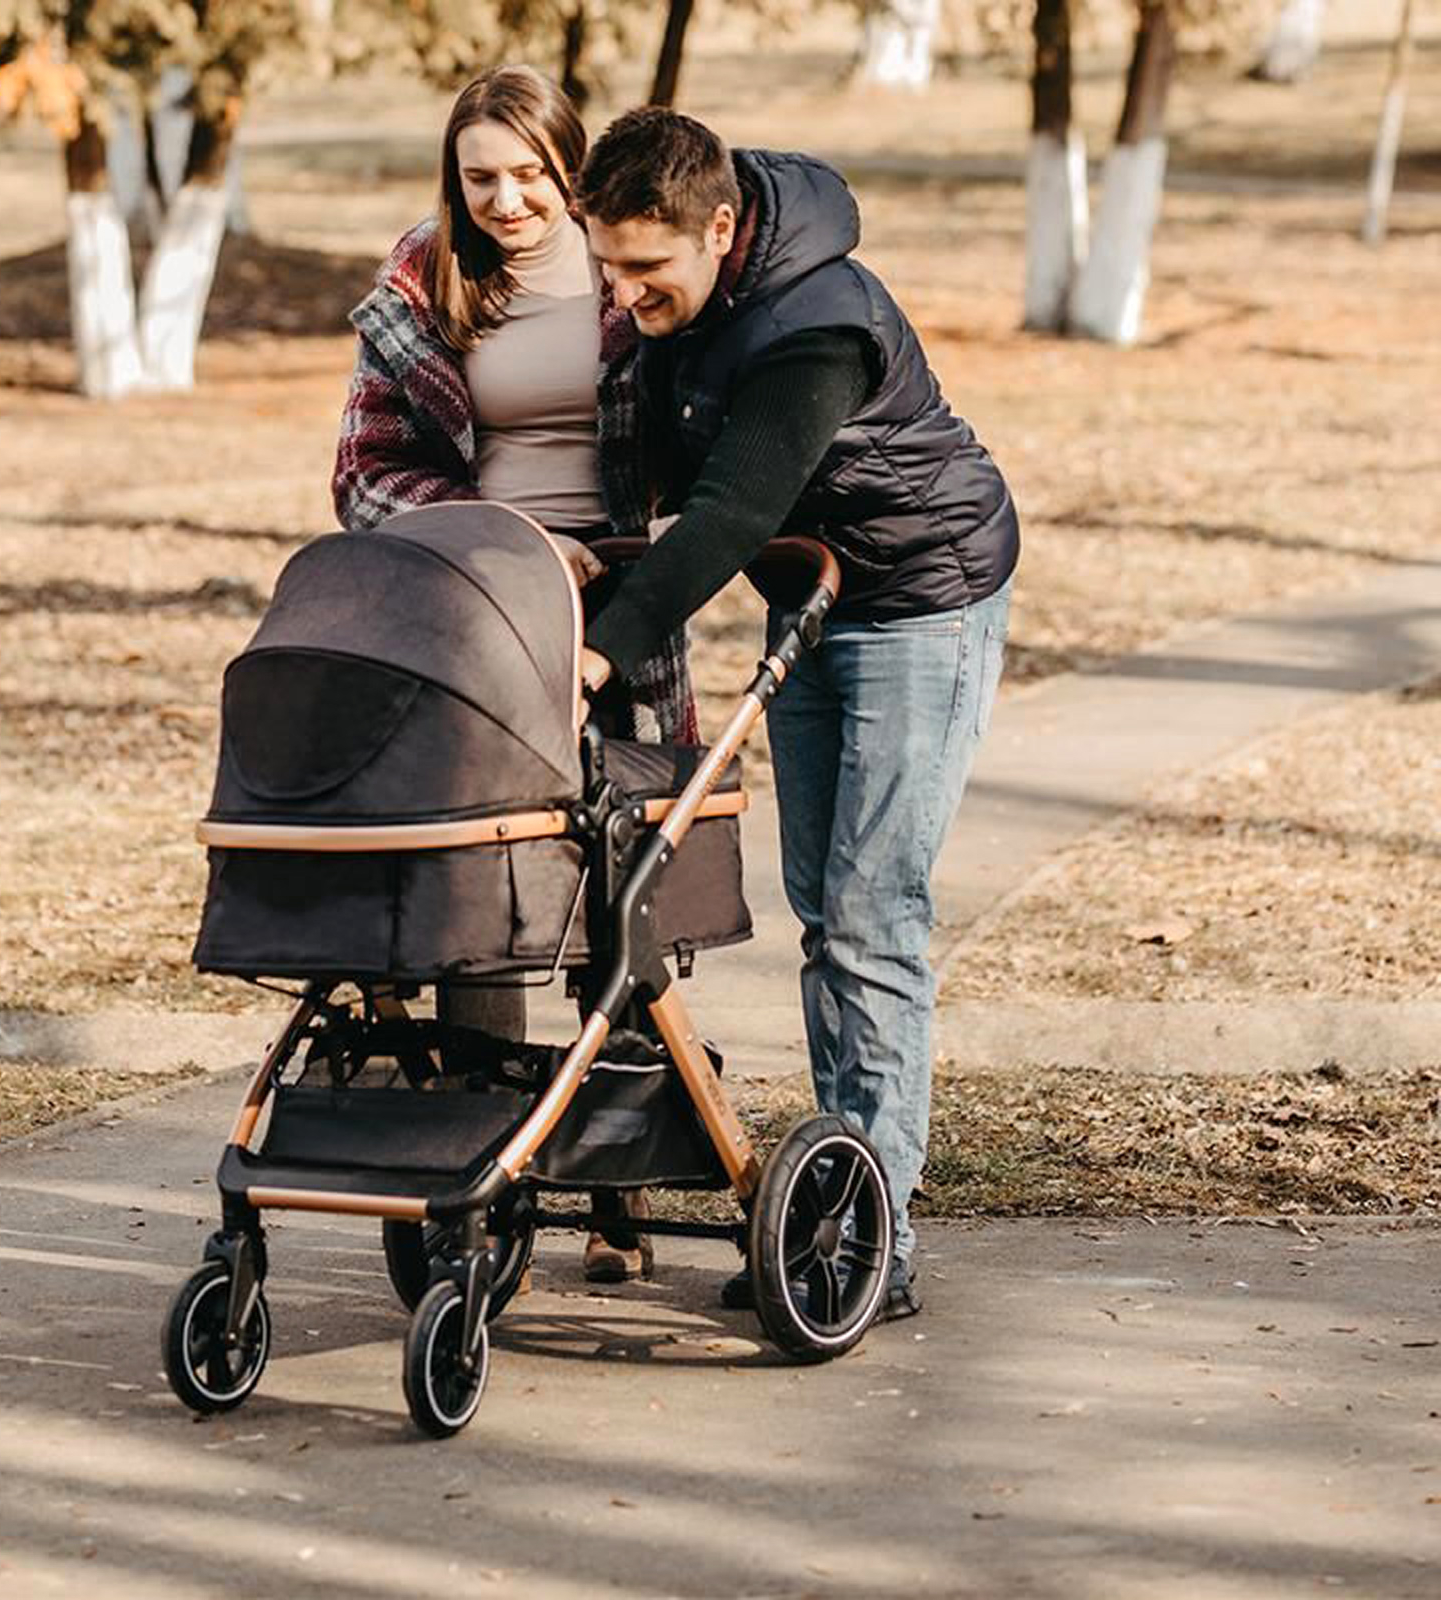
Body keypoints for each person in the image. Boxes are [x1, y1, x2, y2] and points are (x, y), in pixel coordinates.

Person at [575, 109, 1020, 1321]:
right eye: (606, 265)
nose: (621, 292)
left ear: (719, 227)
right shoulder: (692, 301)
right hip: (816, 598)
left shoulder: (816, 323)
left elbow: (726, 515)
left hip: (920, 598)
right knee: (824, 907)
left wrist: (596, 655)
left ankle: (876, 1233)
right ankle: (845, 1186)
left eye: (644, 268)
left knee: (872, 917)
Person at [331, 65, 679, 1283]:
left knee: (622, 891)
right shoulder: (424, 278)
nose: (507, 200)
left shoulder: (627, 262)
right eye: (481, 177)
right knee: (482, 893)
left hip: (622, 604)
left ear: (571, 169)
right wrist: (501, 540)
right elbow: (363, 475)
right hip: (479, 604)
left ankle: (620, 1182)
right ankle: (484, 1193)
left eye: (531, 174)